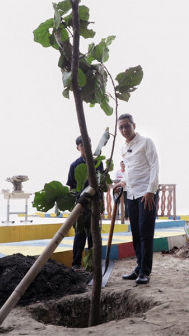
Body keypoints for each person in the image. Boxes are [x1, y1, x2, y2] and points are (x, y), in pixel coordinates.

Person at [114, 113, 159, 285]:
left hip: (146, 194)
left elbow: (154, 166)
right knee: (136, 232)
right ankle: (139, 267)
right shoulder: (123, 148)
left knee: (145, 233)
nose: (124, 130)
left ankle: (145, 271)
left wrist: (150, 191)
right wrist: (122, 182)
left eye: (127, 126)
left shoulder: (146, 142)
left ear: (134, 125)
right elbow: (130, 171)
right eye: (121, 127)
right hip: (131, 194)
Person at [66, 136, 103, 270]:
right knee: (80, 234)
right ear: (77, 148)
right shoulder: (74, 165)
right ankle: (76, 264)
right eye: (82, 145)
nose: (85, 147)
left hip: (95, 204)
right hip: (81, 205)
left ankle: (92, 263)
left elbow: (101, 183)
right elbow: (72, 187)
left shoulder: (98, 162)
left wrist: (101, 203)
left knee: (93, 234)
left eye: (88, 144)